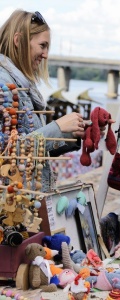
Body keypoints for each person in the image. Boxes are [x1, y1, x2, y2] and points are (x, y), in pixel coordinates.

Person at [0, 10, 90, 192]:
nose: (46, 55)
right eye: (43, 46)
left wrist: (74, 132)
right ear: (18, 41)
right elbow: (6, 153)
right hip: (11, 205)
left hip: (24, 199)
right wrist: (57, 127)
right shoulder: (3, 85)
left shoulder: (21, 85)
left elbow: (33, 146)